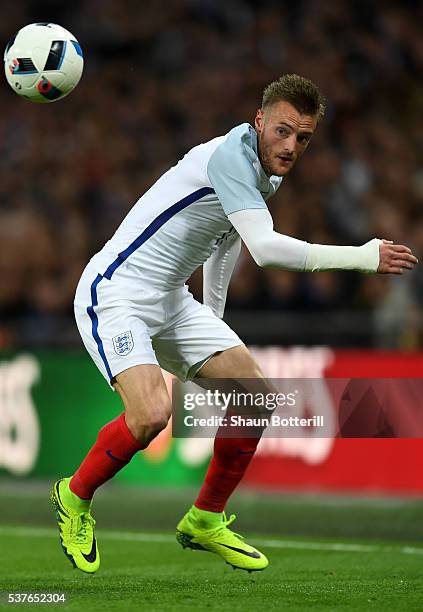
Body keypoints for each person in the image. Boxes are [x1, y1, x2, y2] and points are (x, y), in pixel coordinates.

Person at [51, 74, 417, 574]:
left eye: (303, 138)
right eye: (283, 131)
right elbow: (265, 250)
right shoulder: (230, 157)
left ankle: (204, 519)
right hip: (116, 292)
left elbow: (227, 240)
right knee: (151, 415)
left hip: (172, 299)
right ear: (260, 120)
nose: (291, 147)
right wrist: (362, 256)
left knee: (254, 397)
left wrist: (210, 324)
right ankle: (73, 497)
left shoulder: (265, 169)